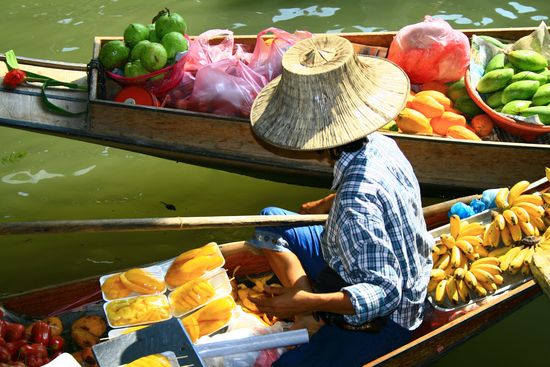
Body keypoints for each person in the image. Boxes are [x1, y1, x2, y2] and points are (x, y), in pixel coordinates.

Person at [246, 35, 434, 367]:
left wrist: (309, 300)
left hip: (390, 316)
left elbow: (385, 294)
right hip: (352, 260)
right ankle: (309, 313)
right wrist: (329, 202)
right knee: (271, 220)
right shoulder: (381, 143)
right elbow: (372, 191)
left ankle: (309, 307)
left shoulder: (354, 206)